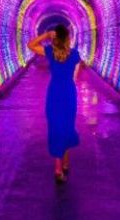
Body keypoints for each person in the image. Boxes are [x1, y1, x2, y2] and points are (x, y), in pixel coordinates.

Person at [27, 25, 82, 182]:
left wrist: (45, 35)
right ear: (68, 38)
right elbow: (74, 79)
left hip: (54, 94)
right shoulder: (75, 55)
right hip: (69, 94)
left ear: (55, 38)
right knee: (67, 127)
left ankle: (59, 168)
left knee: (55, 127)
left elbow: (30, 45)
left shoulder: (50, 52)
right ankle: (64, 163)